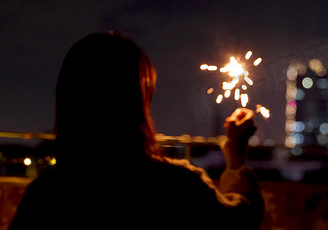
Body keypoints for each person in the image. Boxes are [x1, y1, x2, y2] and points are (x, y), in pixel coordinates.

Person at [9, 32, 264, 229]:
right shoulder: (176, 186)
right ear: (135, 103)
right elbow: (241, 220)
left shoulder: (46, 195)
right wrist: (236, 159)